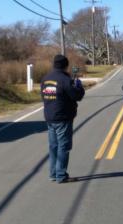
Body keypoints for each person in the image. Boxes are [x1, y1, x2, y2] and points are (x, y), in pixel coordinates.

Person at [41, 55, 85, 183]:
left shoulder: (45, 79)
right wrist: (79, 87)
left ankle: (53, 173)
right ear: (66, 66)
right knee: (63, 146)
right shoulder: (65, 80)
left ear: (54, 64)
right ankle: (61, 175)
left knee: (53, 146)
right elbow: (77, 96)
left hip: (50, 117)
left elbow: (43, 97)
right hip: (63, 117)